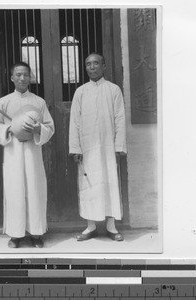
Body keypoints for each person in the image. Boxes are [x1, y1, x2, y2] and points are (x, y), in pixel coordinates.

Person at [0, 62, 55, 248]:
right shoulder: (3, 102)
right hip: (13, 154)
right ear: (12, 78)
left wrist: (38, 128)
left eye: (26, 74)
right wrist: (11, 128)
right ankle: (15, 235)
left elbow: (50, 127)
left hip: (33, 153)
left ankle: (36, 234)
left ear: (30, 77)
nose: (22, 78)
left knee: (35, 190)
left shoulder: (39, 102)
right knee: (15, 190)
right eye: (18, 75)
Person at [69, 53, 127, 242]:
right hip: (87, 148)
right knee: (89, 186)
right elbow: (75, 122)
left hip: (108, 147)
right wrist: (76, 148)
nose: (92, 67)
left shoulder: (113, 90)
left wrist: (119, 145)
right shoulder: (80, 91)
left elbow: (119, 118)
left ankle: (111, 227)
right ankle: (90, 226)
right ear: (85, 68)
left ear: (104, 66)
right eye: (88, 64)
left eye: (96, 63)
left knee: (110, 181)